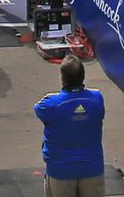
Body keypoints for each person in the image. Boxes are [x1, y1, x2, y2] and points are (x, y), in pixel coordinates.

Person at [34, 56, 107, 197]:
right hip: (92, 168)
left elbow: (38, 109)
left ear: (62, 78)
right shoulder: (96, 99)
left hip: (61, 171)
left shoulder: (50, 104)